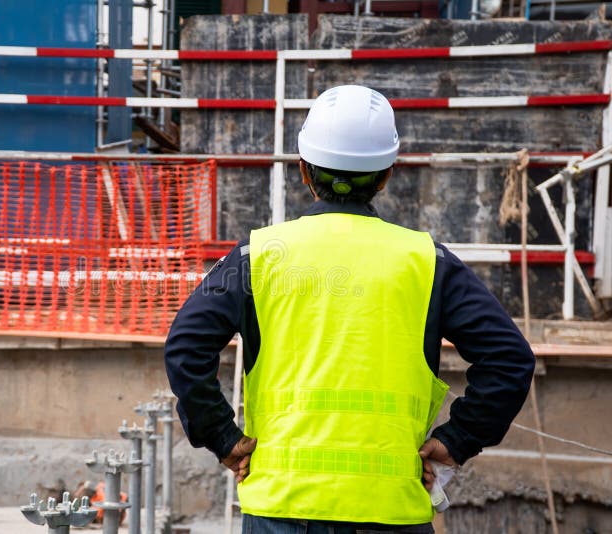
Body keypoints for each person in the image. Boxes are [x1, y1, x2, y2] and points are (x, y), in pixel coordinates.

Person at [164, 85, 535, 533]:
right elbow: (509, 358)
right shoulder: (428, 262)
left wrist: (223, 437)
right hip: (391, 512)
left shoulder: (258, 255)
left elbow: (185, 346)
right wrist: (456, 441)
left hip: (282, 510)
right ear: (385, 175)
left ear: (303, 170)